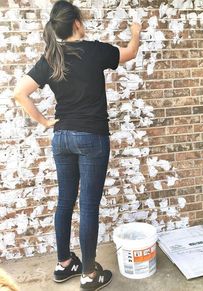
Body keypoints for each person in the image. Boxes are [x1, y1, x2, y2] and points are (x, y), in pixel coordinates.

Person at [13, 1, 141, 290]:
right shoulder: (95, 51)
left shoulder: (51, 57)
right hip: (92, 138)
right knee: (88, 207)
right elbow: (130, 53)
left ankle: (64, 264)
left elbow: (20, 93)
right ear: (77, 24)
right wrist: (135, 31)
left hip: (62, 139)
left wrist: (46, 122)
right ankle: (89, 274)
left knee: (65, 201)